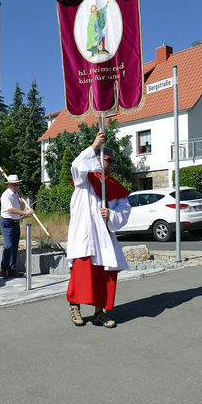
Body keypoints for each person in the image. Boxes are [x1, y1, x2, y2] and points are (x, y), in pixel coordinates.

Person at [66, 132, 131, 329]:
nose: (111, 164)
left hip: (104, 238)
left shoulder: (114, 186)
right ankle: (75, 307)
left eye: (113, 161)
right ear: (97, 160)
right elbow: (77, 165)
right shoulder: (83, 179)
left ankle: (99, 313)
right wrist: (94, 145)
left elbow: (125, 210)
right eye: (108, 160)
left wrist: (111, 214)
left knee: (104, 276)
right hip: (84, 236)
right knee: (80, 273)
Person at [0, 174, 33, 278]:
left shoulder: (16, 194)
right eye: (14, 185)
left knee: (14, 247)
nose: (16, 186)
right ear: (9, 185)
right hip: (7, 222)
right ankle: (3, 268)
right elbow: (10, 209)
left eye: (17, 184)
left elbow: (21, 208)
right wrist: (26, 213)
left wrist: (21, 201)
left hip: (15, 222)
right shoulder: (6, 195)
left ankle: (12, 269)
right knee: (8, 246)